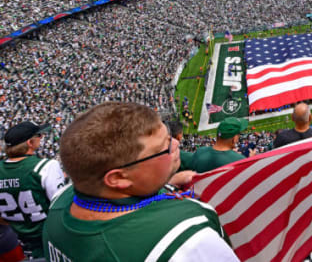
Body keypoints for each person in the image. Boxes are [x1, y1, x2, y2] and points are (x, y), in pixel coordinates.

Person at [42, 102, 238, 261]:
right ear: (118, 178)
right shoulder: (186, 235)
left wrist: (167, 181)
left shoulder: (61, 201)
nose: (177, 144)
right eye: (164, 146)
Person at [0, 121, 65, 258]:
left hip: (16, 241)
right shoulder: (46, 166)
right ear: (30, 143)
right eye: (39, 135)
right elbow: (60, 207)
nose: (42, 138)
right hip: (47, 240)